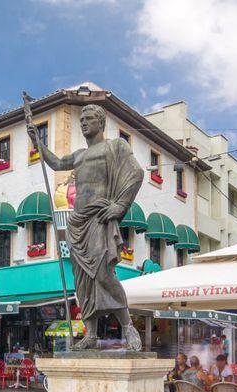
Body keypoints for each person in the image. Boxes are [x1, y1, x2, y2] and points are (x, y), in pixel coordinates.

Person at [26, 102, 144, 350]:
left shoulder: (115, 147)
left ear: (100, 122)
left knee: (103, 274)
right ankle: (90, 333)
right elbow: (57, 163)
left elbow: (136, 173)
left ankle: (127, 326)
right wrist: (38, 141)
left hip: (99, 219)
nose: (83, 122)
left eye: (88, 118)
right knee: (82, 281)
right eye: (81, 119)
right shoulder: (79, 155)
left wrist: (121, 205)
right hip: (77, 222)